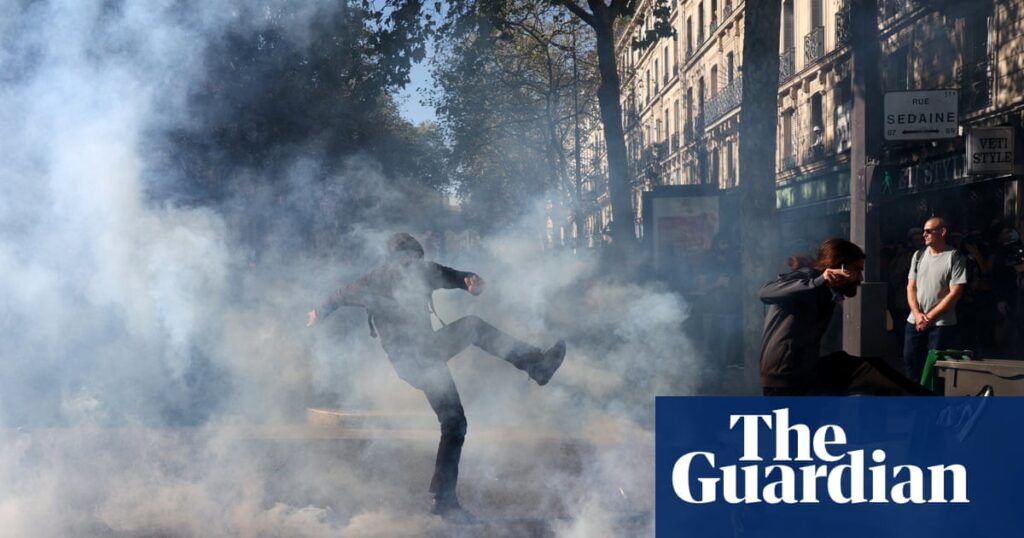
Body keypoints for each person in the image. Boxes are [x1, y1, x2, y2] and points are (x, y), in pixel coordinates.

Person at [307, 232, 566, 520]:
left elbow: (339, 296)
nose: (413, 263)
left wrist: (318, 313)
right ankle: (537, 365)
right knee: (472, 328)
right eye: (412, 257)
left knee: (454, 423)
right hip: (423, 355)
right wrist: (471, 282)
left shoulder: (375, 279)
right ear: (409, 254)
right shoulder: (415, 271)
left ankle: (443, 499)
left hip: (413, 363)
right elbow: (459, 278)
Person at [759, 238, 934, 396]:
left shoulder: (827, 294)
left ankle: (935, 406)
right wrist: (818, 282)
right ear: (839, 267)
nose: (860, 278)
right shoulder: (808, 278)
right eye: (857, 270)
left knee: (866, 369)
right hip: (785, 379)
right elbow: (766, 292)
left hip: (806, 371)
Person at [903, 217, 968, 381]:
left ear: (943, 232)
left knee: (935, 368)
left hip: (941, 325)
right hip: (915, 321)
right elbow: (911, 287)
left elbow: (955, 292)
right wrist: (917, 314)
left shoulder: (954, 257)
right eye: (923, 231)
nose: (924, 234)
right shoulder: (918, 255)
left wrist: (929, 317)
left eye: (928, 231)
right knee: (910, 361)